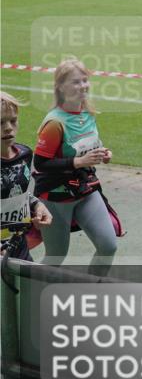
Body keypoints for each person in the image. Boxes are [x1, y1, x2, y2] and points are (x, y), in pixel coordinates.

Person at [32, 59, 117, 275]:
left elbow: (88, 146)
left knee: (108, 246)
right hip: (55, 198)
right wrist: (79, 162)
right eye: (76, 82)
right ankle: (29, 292)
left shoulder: (87, 113)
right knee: (55, 258)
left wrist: (103, 153)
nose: (83, 86)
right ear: (61, 87)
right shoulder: (54, 123)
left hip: (84, 190)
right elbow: (41, 163)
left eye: (85, 80)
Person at [2, 92, 52, 261]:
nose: (8, 127)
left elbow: (17, 193)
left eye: (13, 120)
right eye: (0, 122)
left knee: (29, 286)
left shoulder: (24, 154)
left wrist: (36, 205)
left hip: (18, 243)